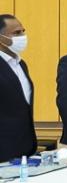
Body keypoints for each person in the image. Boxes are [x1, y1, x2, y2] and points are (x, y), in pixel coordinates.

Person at [0, 14, 36, 162]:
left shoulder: (21, 64)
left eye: (23, 31)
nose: (22, 36)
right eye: (16, 33)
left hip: (25, 147)